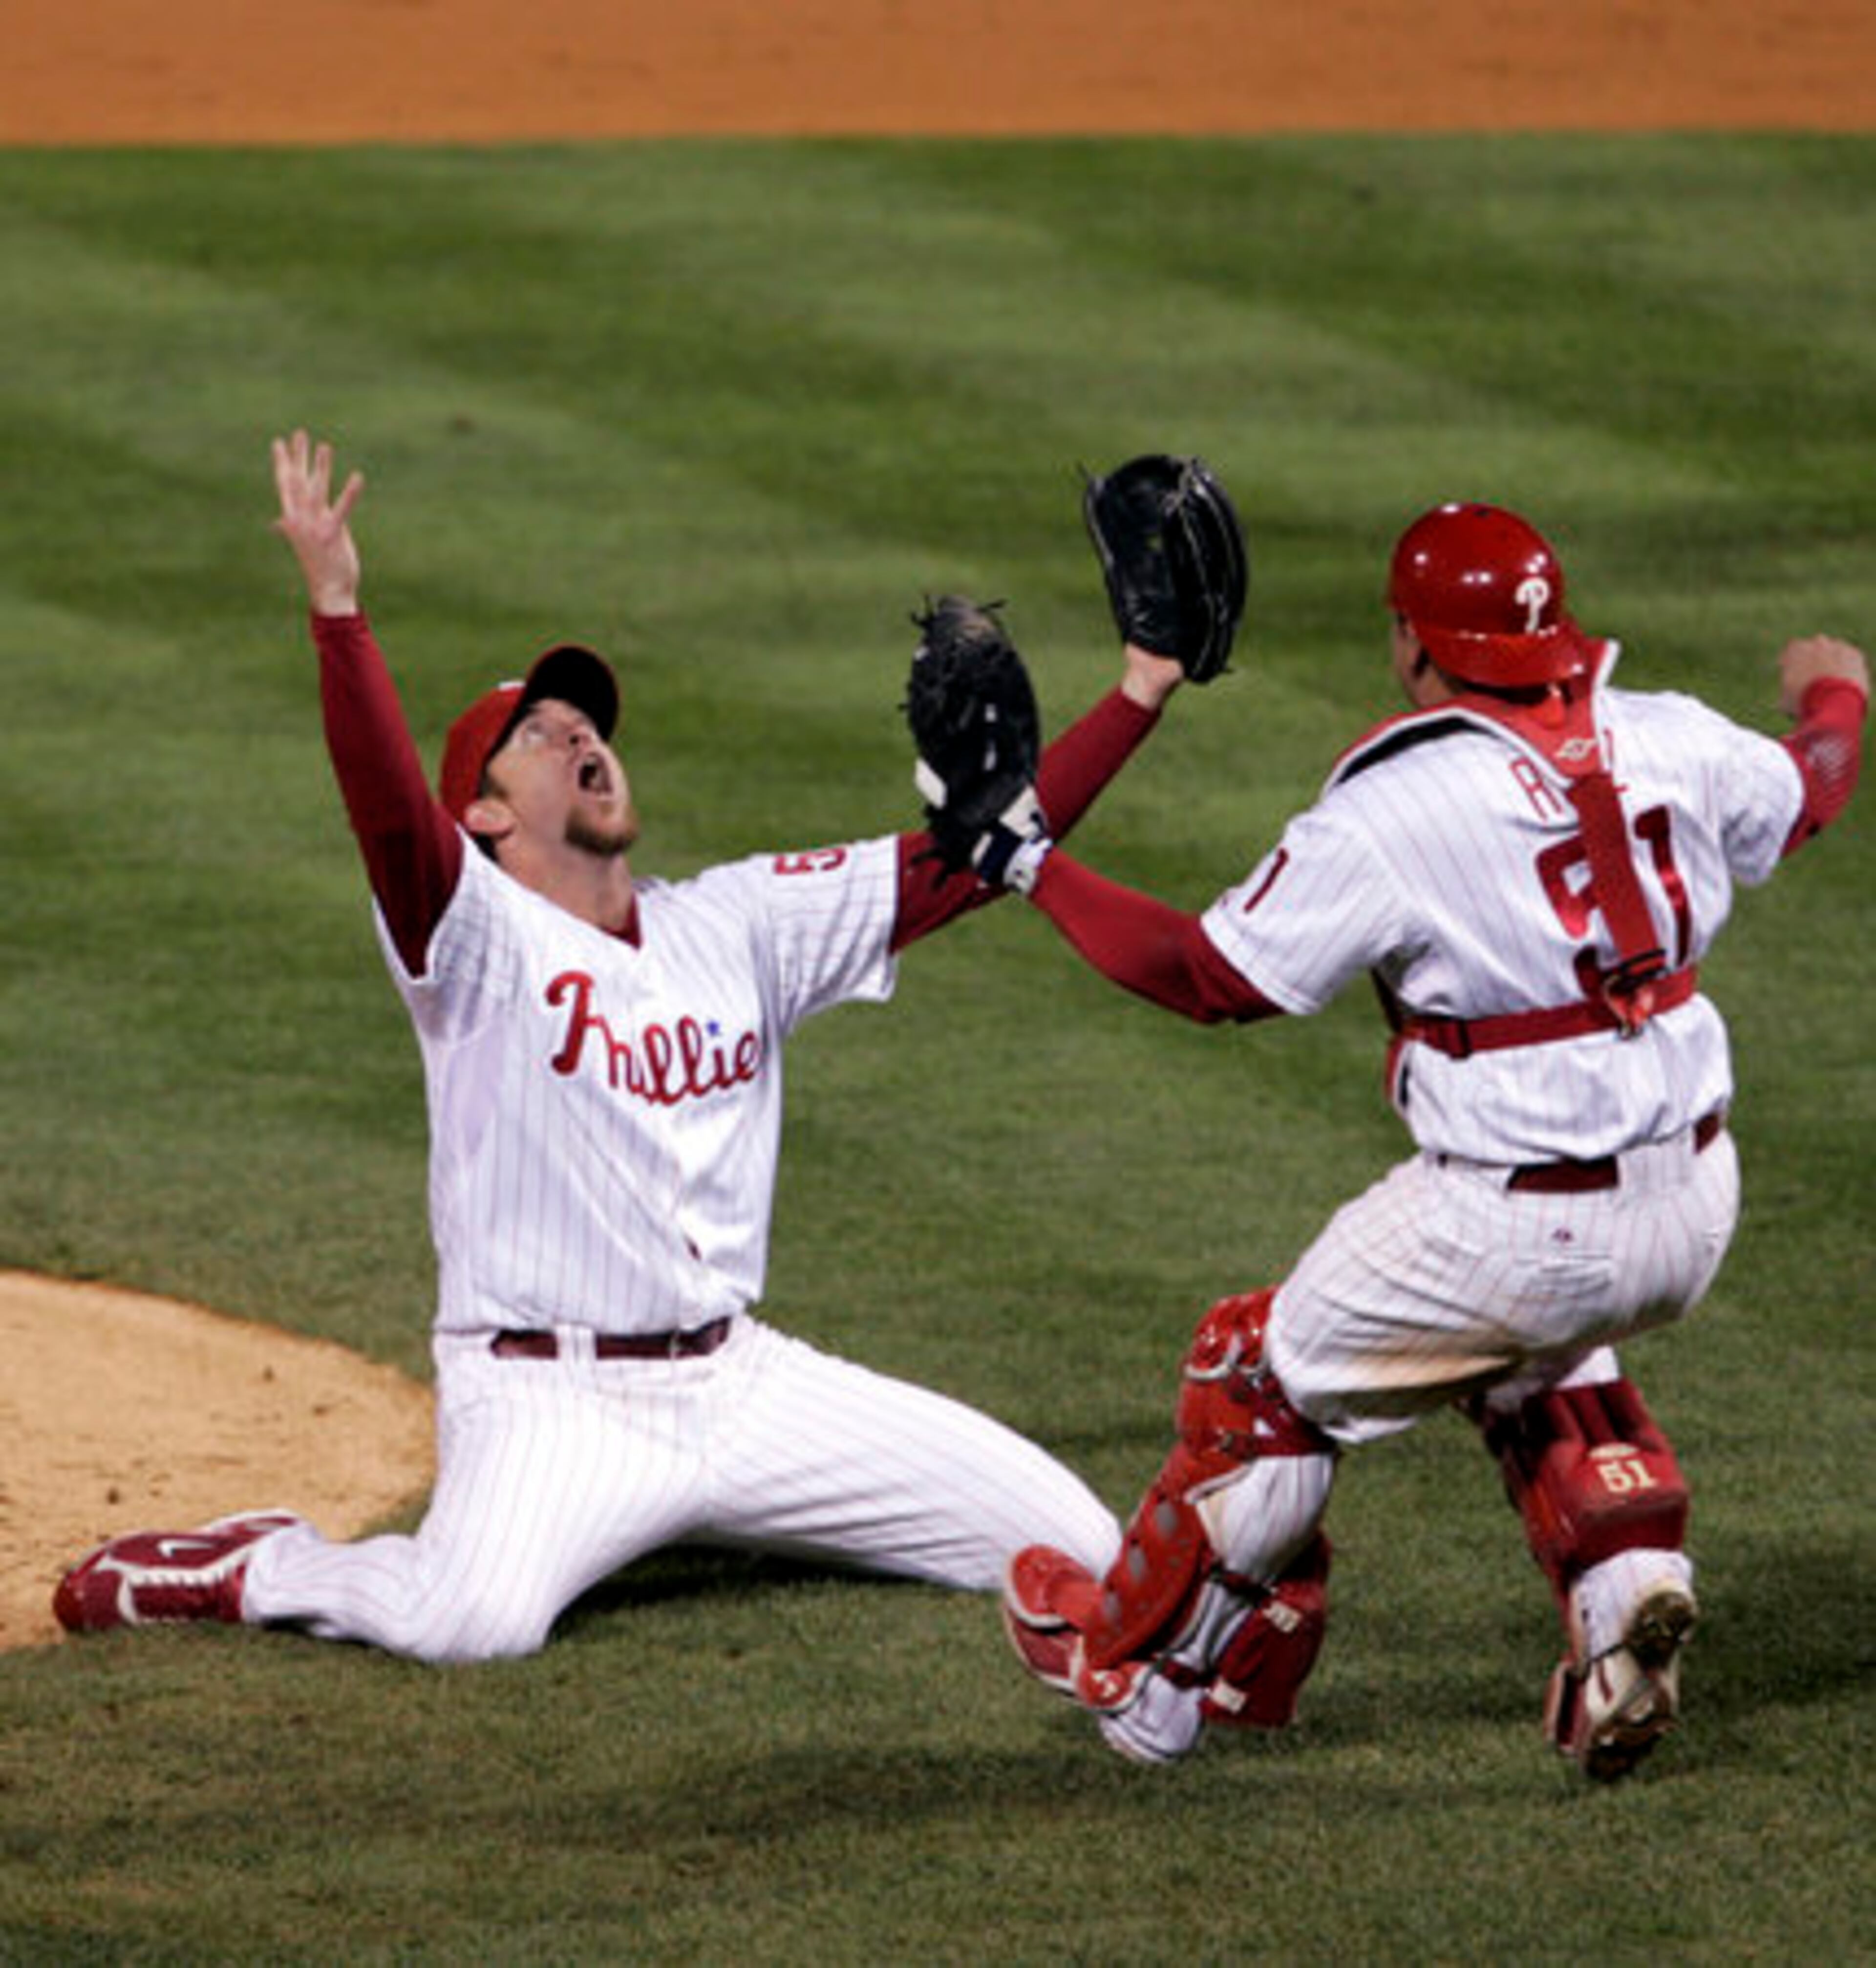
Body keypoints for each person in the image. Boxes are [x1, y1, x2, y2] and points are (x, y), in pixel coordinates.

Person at [51, 428, 1196, 1664]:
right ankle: (259, 1562)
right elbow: (387, 809)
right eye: (542, 734)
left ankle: (727, 1510)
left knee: (1082, 1543)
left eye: (589, 724)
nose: (584, 738)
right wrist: (340, 612)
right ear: (483, 812)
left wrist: (1138, 689)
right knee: (470, 1623)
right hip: (549, 1404)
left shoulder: (740, 919)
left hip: (744, 1386)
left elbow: (976, 859)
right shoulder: (469, 935)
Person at [987, 500, 1868, 1777]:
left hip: (1520, 1215)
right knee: (1528, 1345)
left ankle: (1155, 1688)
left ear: (1414, 642)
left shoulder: (1400, 803)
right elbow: (1815, 785)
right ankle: (1628, 1587)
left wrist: (1030, 867)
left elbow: (1210, 973)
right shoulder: (1671, 731)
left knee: (1259, 1377)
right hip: (1698, 1201)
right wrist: (1838, 687)